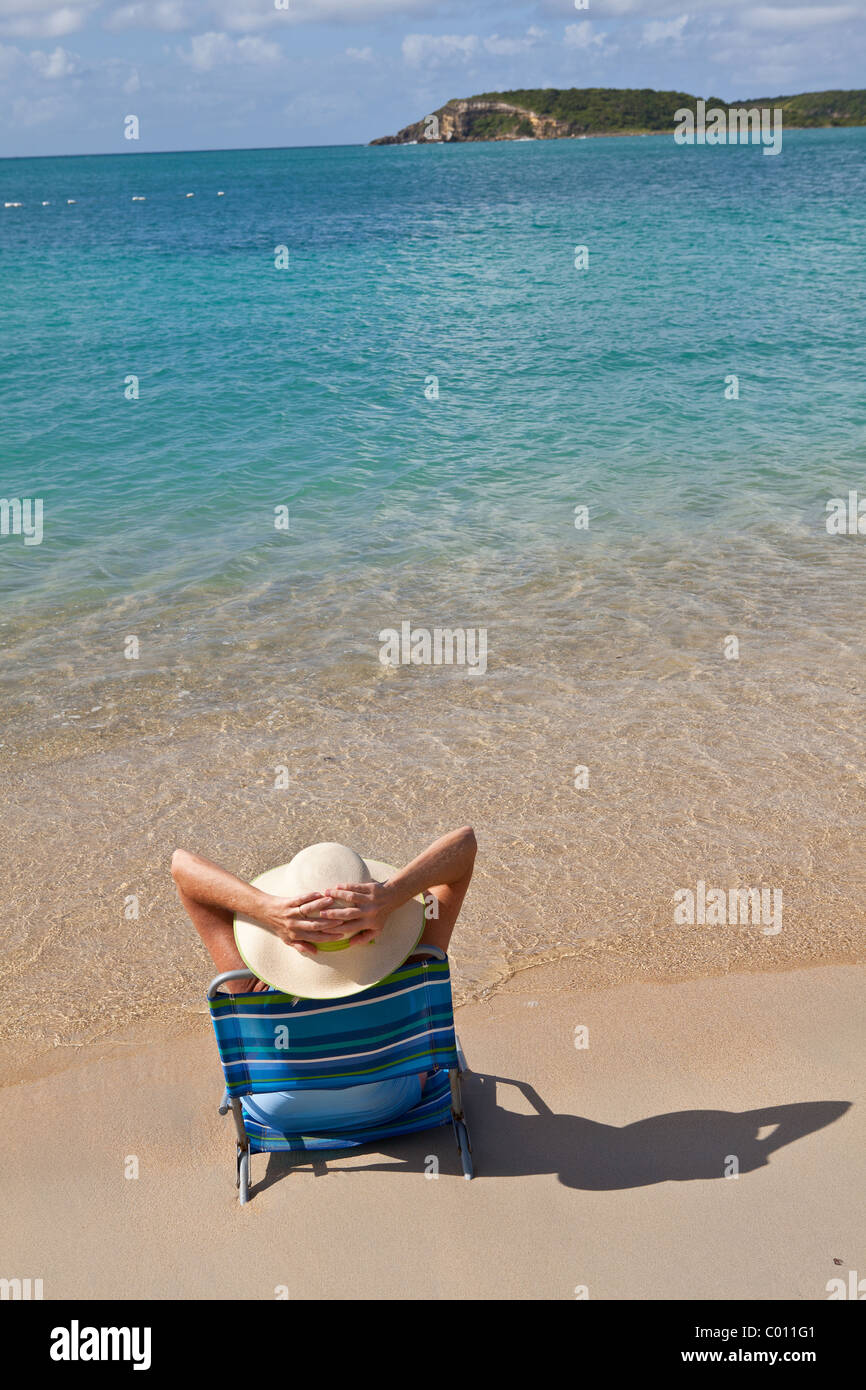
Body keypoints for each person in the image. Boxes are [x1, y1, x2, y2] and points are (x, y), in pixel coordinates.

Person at [170, 826, 477, 1131]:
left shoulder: (251, 983)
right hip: (388, 1103)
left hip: (277, 1108)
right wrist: (393, 894)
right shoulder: (412, 964)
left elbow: (182, 867)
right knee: (421, 901)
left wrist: (265, 909)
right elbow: (464, 845)